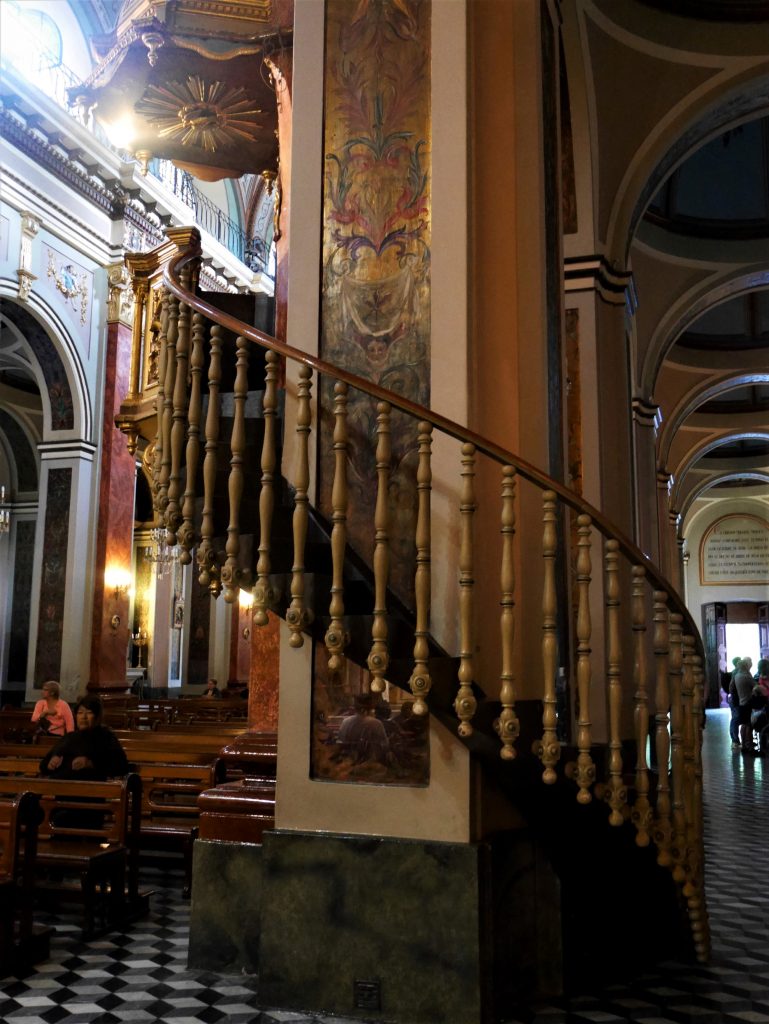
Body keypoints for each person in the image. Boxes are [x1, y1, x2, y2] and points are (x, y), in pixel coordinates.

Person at [39, 696, 129, 779]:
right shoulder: (70, 737)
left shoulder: (106, 736)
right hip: (63, 788)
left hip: (91, 789)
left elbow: (121, 766)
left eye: (89, 713)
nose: (84, 717)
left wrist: (90, 763)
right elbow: (43, 766)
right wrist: (51, 762)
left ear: (97, 717)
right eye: (80, 713)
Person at [730, 657, 756, 754]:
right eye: (749, 662)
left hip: (740, 701)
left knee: (743, 723)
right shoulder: (745, 675)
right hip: (745, 702)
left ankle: (744, 744)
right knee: (747, 724)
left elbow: (731, 687)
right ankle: (747, 745)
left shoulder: (737, 675)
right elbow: (755, 686)